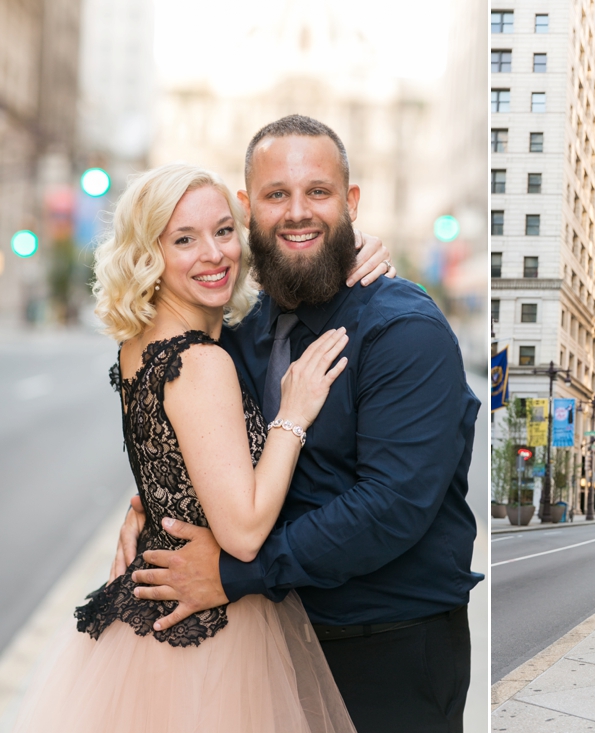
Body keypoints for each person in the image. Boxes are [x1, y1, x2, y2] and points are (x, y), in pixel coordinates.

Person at [116, 115, 482, 733]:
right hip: (269, 646)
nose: (297, 213)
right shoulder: (239, 333)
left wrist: (235, 574)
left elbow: (391, 504)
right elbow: (206, 443)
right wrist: (149, 504)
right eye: (276, 195)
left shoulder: (403, 330)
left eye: (318, 192)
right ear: (248, 211)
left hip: (385, 649)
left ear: (351, 203)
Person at [10, 162, 396, 732]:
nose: (214, 254)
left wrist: (352, 246)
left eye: (222, 231)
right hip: (208, 636)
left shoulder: (139, 346)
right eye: (184, 240)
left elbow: (174, 462)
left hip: (147, 628)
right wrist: (292, 416)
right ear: (150, 254)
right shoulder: (201, 361)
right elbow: (241, 533)